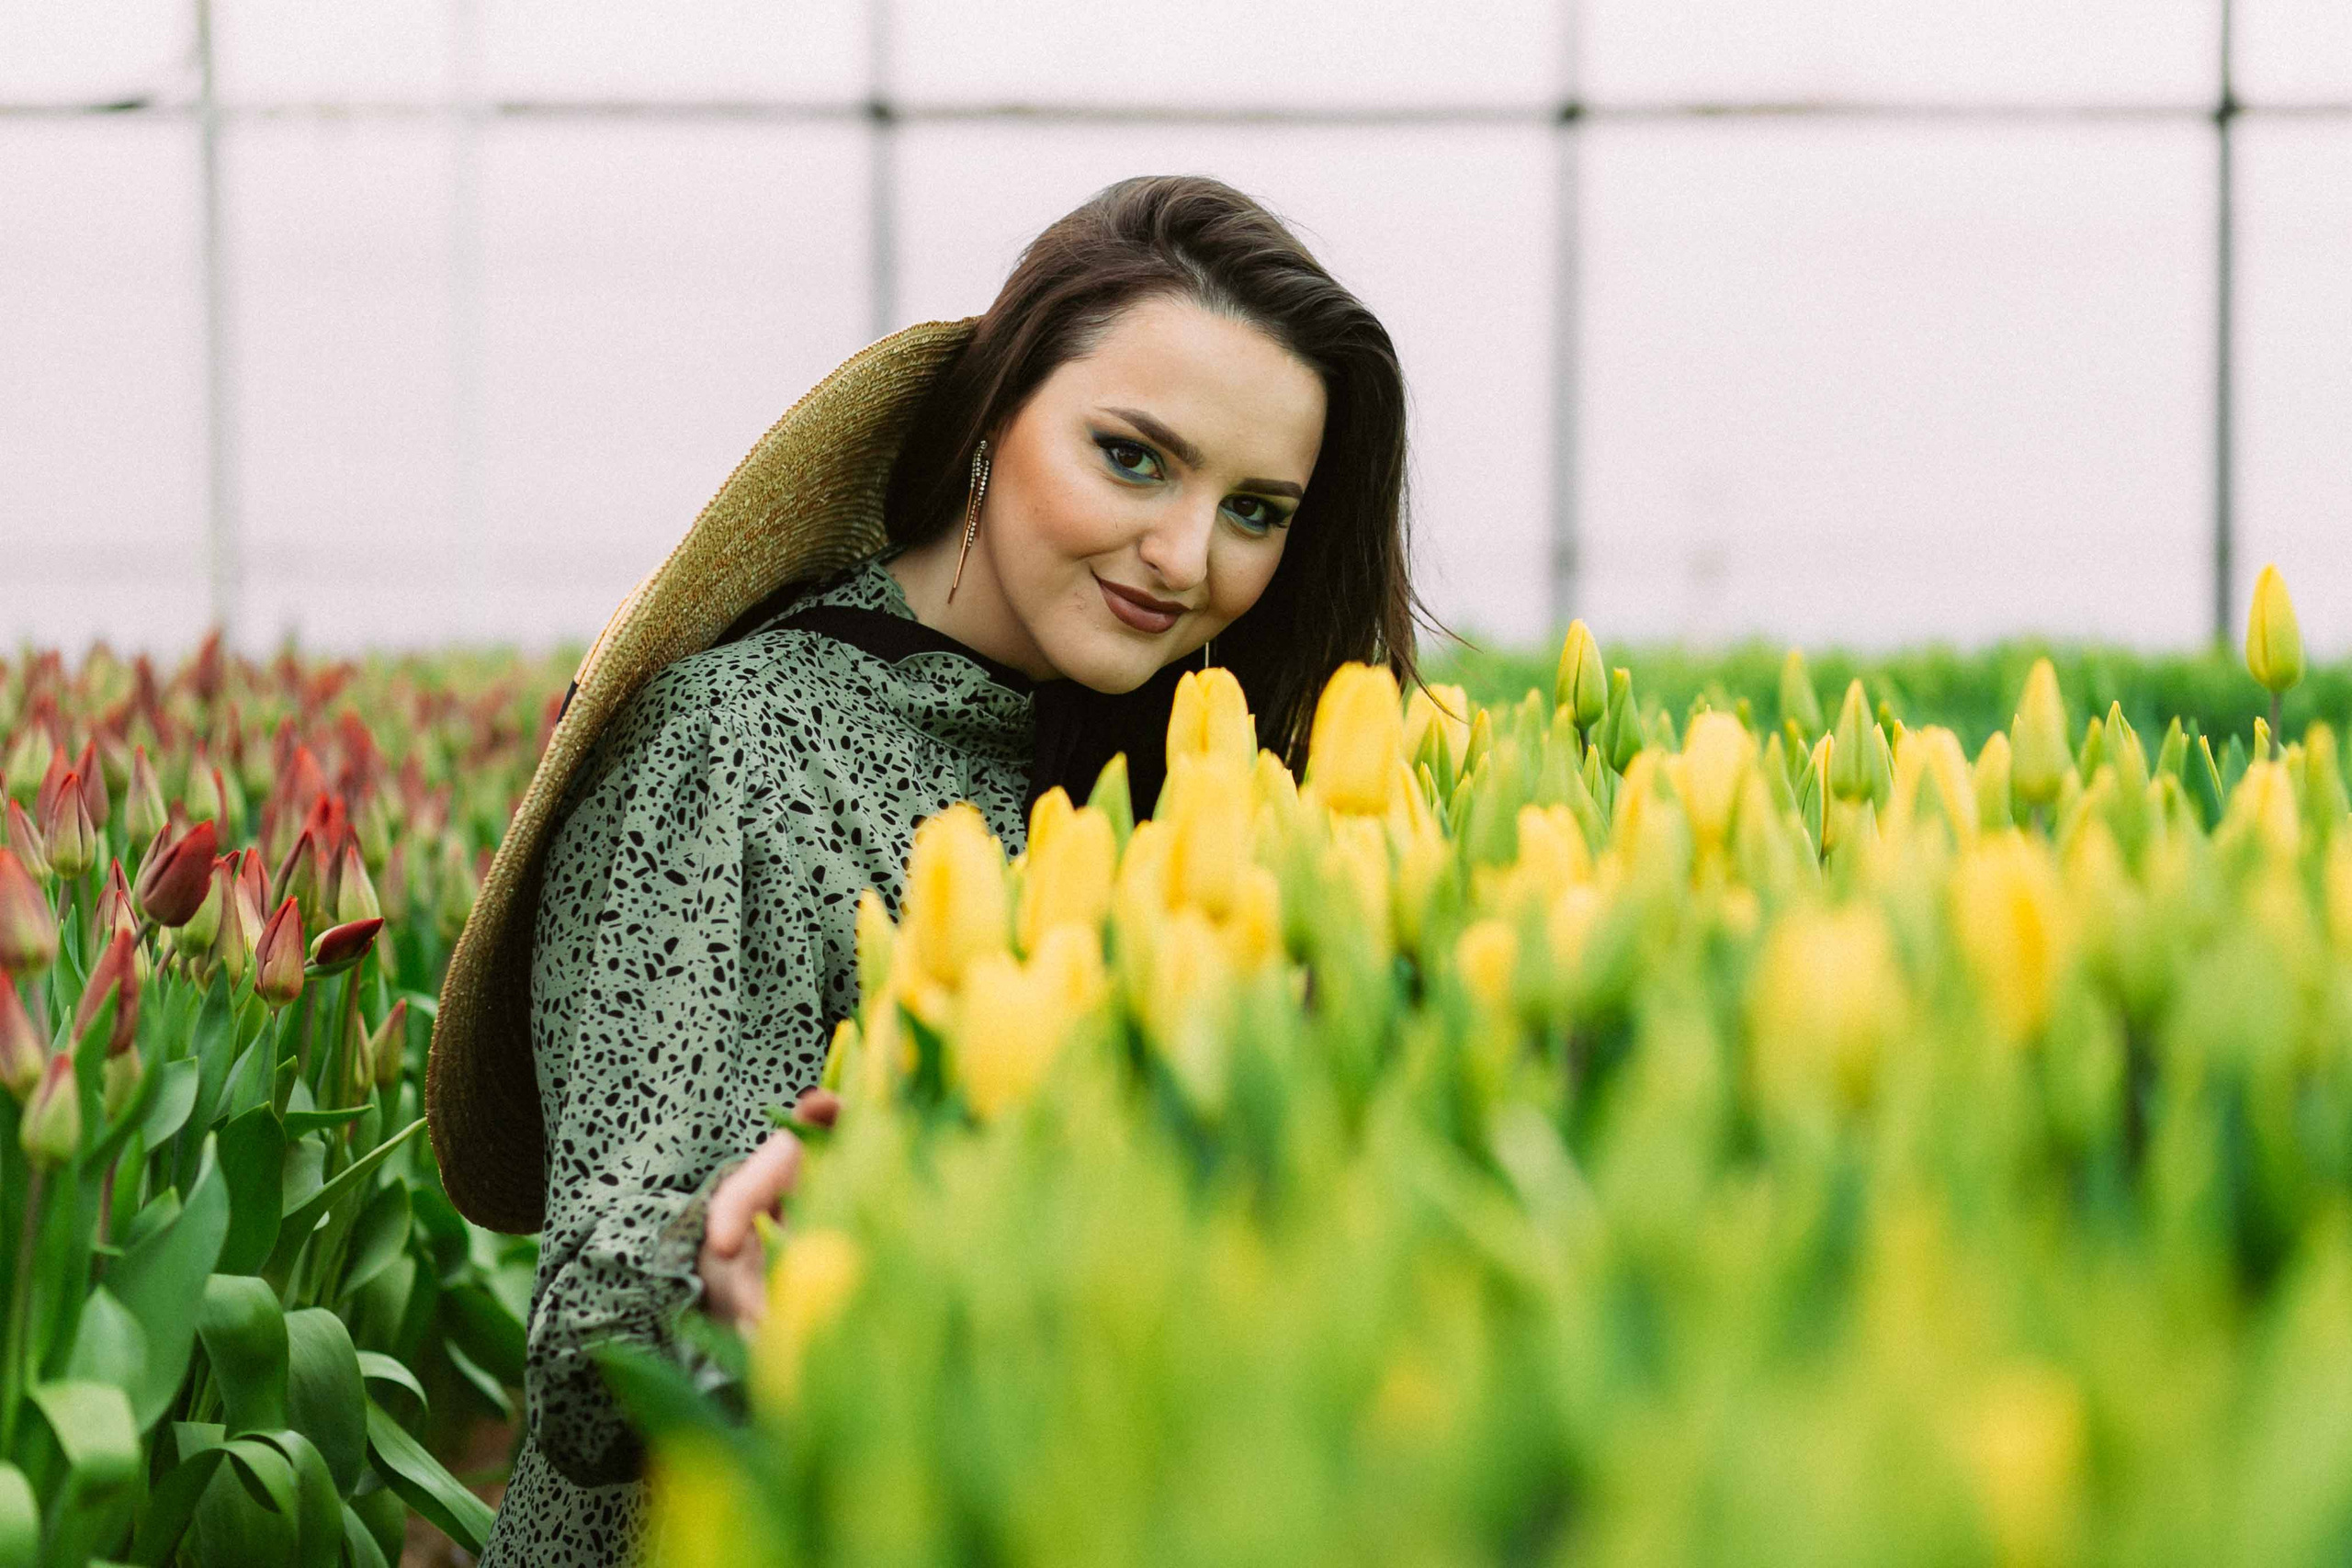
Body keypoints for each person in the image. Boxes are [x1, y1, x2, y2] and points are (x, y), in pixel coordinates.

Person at [425, 172, 1428, 1567]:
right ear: (996, 417)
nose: (1185, 556)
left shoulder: (1204, 787)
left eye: (1257, 510)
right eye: (1132, 456)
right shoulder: (737, 746)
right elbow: (590, 1348)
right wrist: (731, 1264)